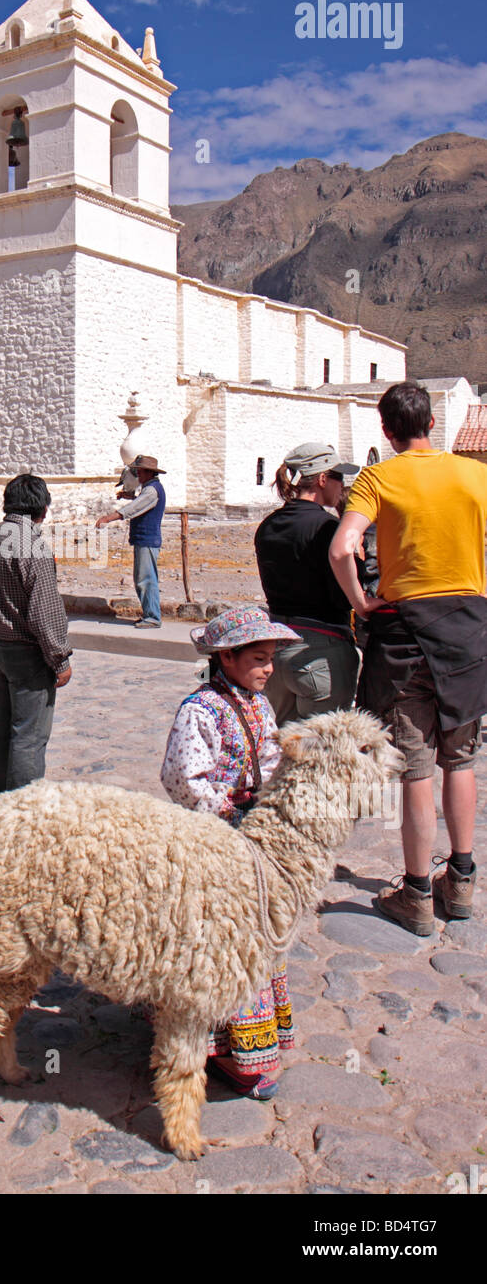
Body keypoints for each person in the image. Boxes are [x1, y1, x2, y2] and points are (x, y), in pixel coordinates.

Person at [329, 381, 487, 935]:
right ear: (433, 425)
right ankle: (460, 882)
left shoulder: (379, 477)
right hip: (468, 631)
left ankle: (417, 892)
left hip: (403, 634)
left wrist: (361, 601)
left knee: (416, 767)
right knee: (461, 758)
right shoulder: (475, 474)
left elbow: (342, 546)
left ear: (387, 430)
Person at [160, 607, 302, 1098]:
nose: (268, 669)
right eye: (258, 659)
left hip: (252, 833)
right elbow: (182, 778)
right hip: (213, 838)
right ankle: (223, 1052)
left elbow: (268, 759)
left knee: (258, 937)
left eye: (270, 660)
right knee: (223, 943)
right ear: (227, 656)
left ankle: (253, 1046)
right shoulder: (200, 709)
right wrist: (224, 807)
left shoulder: (258, 705)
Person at [0, 474, 72, 797]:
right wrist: (59, 658)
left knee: (3, 722)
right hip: (27, 652)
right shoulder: (31, 545)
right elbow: (45, 610)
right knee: (29, 733)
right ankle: (22, 805)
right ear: (42, 507)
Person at [254, 443, 361, 726]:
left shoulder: (269, 525)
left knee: (287, 746)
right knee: (324, 750)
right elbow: (343, 596)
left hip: (278, 645)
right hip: (320, 646)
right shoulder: (326, 528)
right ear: (323, 479)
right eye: (339, 478)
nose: (343, 486)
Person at [96, 454, 166, 628]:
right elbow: (140, 503)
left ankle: (152, 617)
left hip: (147, 540)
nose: (138, 475)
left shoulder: (151, 491)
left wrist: (108, 517)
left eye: (140, 472)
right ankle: (149, 614)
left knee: (146, 579)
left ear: (149, 473)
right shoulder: (150, 489)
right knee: (143, 578)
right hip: (144, 539)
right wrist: (130, 497)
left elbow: (134, 508)